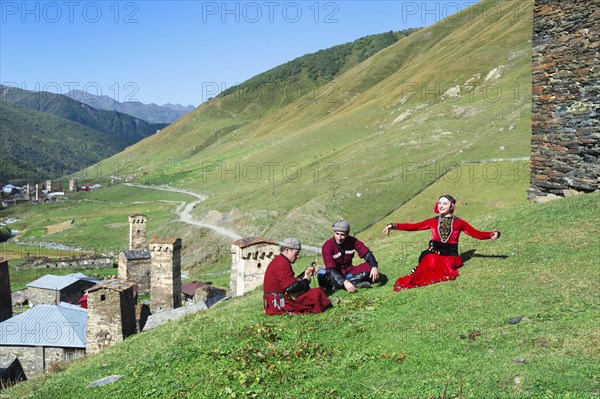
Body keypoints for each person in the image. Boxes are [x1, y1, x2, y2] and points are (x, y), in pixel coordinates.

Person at [383, 194, 501, 291]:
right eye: (439, 203)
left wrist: (491, 234)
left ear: (451, 206)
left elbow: (476, 234)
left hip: (450, 256)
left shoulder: (460, 222)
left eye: (444, 203)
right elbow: (414, 226)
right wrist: (393, 226)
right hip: (434, 254)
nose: (441, 206)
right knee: (430, 260)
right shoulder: (433, 221)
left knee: (445, 266)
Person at [263, 237, 332, 315]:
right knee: (317, 292)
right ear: (287, 250)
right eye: (296, 253)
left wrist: (306, 274)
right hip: (279, 304)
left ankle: (323, 303)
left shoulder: (279, 260)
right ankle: (325, 304)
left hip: (274, 302)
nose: (298, 256)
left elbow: (290, 282)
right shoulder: (282, 263)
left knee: (311, 292)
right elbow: (291, 288)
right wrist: (306, 281)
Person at [319, 220, 383, 293]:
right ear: (334, 233)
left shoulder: (352, 241)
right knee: (321, 274)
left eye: (342, 235)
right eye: (337, 234)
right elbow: (330, 268)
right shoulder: (327, 246)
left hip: (350, 272)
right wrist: (344, 282)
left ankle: (341, 286)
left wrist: (374, 266)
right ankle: (352, 284)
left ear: (347, 234)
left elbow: (367, 253)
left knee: (369, 267)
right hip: (335, 274)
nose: (339, 237)